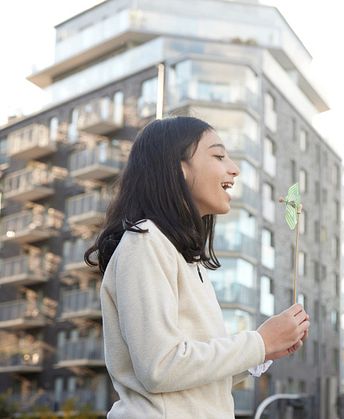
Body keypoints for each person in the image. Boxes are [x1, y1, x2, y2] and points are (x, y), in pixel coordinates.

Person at [85, 116, 310, 418]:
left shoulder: (184, 258)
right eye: (218, 155)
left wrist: (263, 352)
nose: (234, 168)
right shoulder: (145, 241)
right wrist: (260, 341)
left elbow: (195, 382)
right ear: (180, 168)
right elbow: (160, 367)